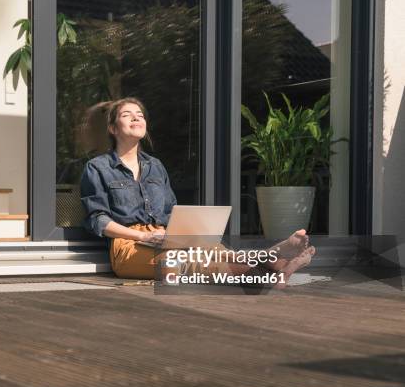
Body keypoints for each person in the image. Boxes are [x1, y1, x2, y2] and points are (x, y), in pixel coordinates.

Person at [79, 97, 315, 285]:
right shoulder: (98, 168)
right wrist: (143, 236)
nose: (136, 118)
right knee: (181, 261)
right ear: (112, 128)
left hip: (166, 235)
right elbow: (98, 220)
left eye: (140, 115)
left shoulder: (155, 166)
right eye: (127, 115)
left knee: (210, 248)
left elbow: (171, 210)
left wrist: (185, 232)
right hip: (128, 245)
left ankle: (271, 268)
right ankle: (271, 263)